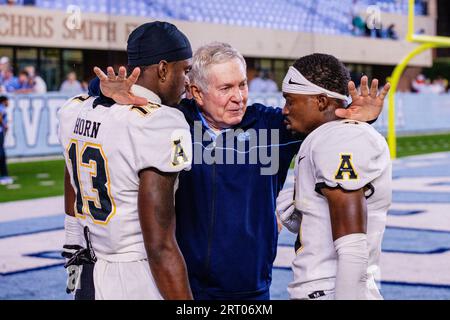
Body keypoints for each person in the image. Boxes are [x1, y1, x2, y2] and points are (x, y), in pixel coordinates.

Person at [91, 41, 389, 300]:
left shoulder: (275, 126)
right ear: (196, 91)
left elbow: (325, 122)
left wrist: (354, 114)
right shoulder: (171, 122)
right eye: (226, 88)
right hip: (183, 284)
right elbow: (104, 114)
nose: (239, 96)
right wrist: (108, 94)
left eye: (242, 84)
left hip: (251, 288)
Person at [59, 21, 194, 300]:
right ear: (163, 69)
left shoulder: (75, 109)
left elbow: (72, 171)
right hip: (136, 277)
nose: (188, 82)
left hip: (90, 272)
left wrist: (72, 235)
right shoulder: (161, 122)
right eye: (186, 70)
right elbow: (160, 246)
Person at [277, 53, 391, 300]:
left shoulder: (338, 139)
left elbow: (352, 247)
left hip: (329, 290)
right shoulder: (330, 136)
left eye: (290, 100)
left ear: (319, 100)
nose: (285, 109)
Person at [0, 96, 13, 185]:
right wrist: (4, 125)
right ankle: (4, 175)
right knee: (2, 154)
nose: (8, 103)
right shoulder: (1, 107)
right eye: (7, 101)